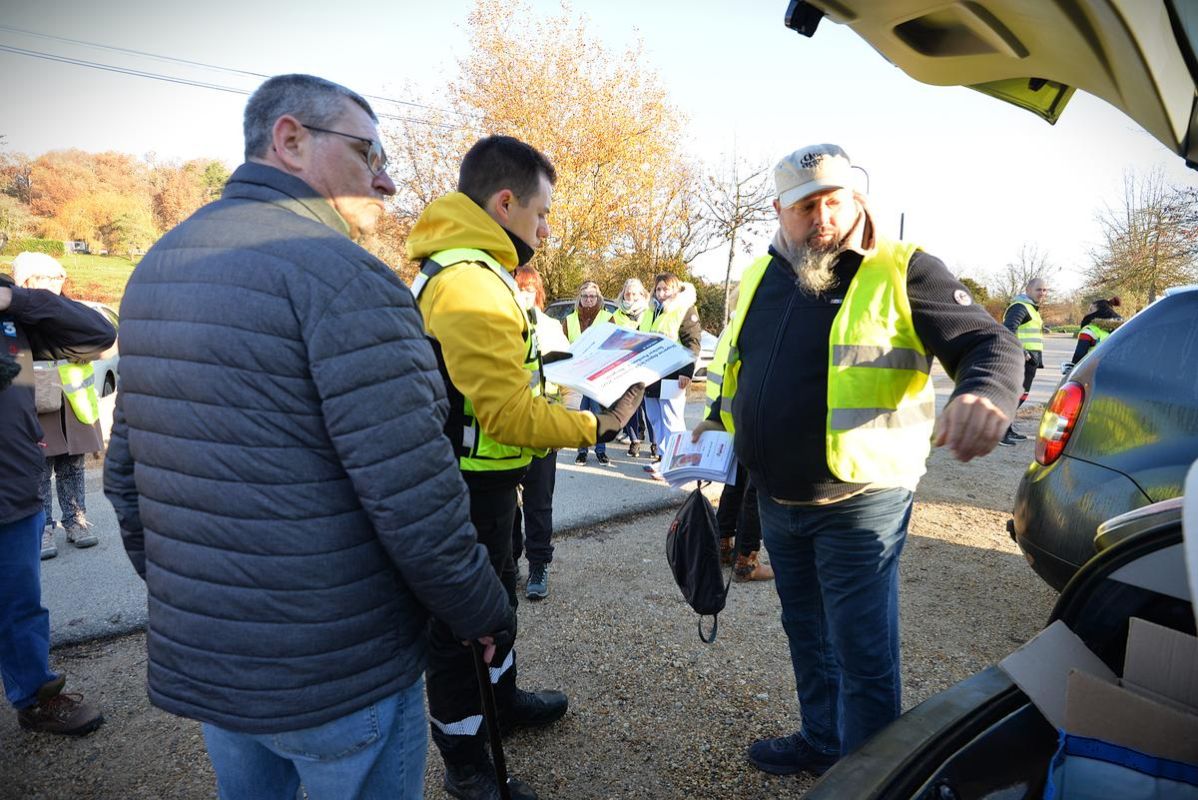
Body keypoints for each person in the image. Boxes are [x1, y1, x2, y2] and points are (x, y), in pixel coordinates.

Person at [102, 74, 513, 800]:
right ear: (290, 139)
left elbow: (127, 478)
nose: (385, 180)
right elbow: (414, 495)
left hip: (219, 660)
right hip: (334, 665)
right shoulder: (345, 276)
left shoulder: (160, 265)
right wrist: (480, 610)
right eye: (368, 151)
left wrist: (197, 601)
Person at [694, 143, 1022, 776]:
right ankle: (823, 741)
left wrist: (985, 393)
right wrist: (715, 420)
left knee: (862, 650)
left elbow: (991, 342)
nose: (823, 216)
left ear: (857, 198)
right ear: (779, 210)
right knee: (806, 632)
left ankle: (867, 780)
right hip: (776, 498)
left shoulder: (905, 268)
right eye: (806, 205)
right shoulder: (764, 273)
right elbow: (736, 366)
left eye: (835, 200)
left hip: (860, 500)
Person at [407, 134, 643, 800]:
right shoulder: (468, 282)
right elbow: (507, 413)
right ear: (504, 202)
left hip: (491, 482)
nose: (545, 228)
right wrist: (599, 423)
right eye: (541, 214)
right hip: (466, 487)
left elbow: (505, 379)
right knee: (461, 629)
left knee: (496, 605)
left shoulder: (476, 270)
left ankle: (500, 704)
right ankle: (467, 763)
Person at [1, 269, 111, 736]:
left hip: (11, 490)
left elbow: (96, 334)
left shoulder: (10, 310)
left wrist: (18, 300)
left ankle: (35, 699)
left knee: (19, 606)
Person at [12, 253, 104, 559]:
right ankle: (43, 527)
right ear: (25, 281)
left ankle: (76, 520)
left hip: (72, 400)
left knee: (72, 463)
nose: (54, 283)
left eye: (58, 277)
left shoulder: (69, 310)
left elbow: (101, 337)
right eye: (45, 277)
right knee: (40, 466)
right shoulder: (17, 317)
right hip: (37, 398)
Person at [511, 266, 566, 600]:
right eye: (520, 288)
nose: (525, 294)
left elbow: (567, 378)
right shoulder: (499, 325)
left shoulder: (550, 327)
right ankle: (510, 561)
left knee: (538, 502)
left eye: (530, 289)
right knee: (506, 505)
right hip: (509, 429)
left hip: (543, 427)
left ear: (539, 293)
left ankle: (539, 565)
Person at [641, 273, 701, 466]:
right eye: (658, 289)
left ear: (675, 289)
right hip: (651, 376)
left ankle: (677, 459)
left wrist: (686, 372)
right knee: (655, 418)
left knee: (671, 420)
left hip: (673, 375)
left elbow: (692, 343)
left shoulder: (684, 309)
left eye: (666, 288)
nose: (661, 293)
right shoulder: (650, 311)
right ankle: (663, 457)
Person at [564, 281, 614, 466]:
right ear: (580, 298)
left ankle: (600, 451)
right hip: (577, 376)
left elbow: (613, 347)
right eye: (585, 296)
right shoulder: (569, 320)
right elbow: (563, 345)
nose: (588, 300)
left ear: (598, 298)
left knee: (598, 412)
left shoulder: (607, 317)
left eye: (592, 296)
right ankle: (582, 451)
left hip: (598, 375)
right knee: (582, 414)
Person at [1000, 277, 1049, 445]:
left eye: (1044, 290)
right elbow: (1008, 329)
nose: (1042, 293)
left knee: (1021, 396)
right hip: (1020, 359)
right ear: (1028, 290)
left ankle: (1007, 429)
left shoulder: (1032, 309)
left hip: (1030, 361)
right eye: (1038, 289)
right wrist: (1022, 351)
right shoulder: (1020, 307)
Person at [612, 277, 652, 457]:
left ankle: (656, 444)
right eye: (628, 293)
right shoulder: (617, 315)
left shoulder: (649, 312)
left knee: (648, 407)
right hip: (624, 367)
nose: (631, 296)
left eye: (635, 293)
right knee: (629, 406)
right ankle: (635, 441)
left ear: (642, 294)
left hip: (646, 366)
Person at [1064, 296, 1123, 372]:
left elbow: (1078, 356)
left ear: (1100, 312)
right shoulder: (1120, 329)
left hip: (1092, 373)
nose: (1087, 313)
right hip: (1115, 371)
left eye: (1091, 310)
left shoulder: (1089, 331)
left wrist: (1072, 372)